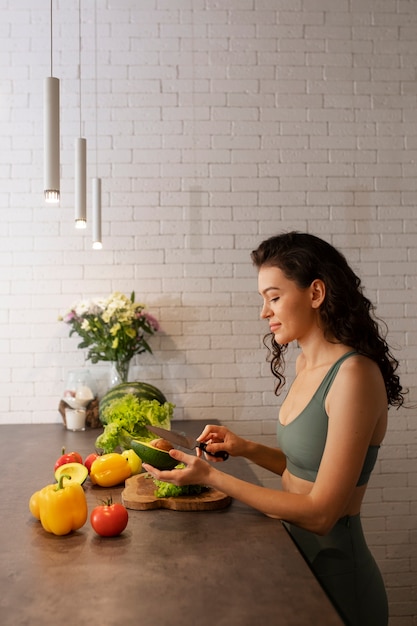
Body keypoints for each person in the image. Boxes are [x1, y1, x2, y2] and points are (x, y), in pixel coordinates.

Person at [143, 231, 406, 626]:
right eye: (263, 299)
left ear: (316, 293)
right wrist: (245, 447)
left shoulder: (354, 375)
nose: (264, 312)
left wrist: (213, 477)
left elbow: (321, 514)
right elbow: (306, 469)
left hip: (338, 581)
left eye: (274, 296)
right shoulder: (305, 365)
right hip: (296, 564)